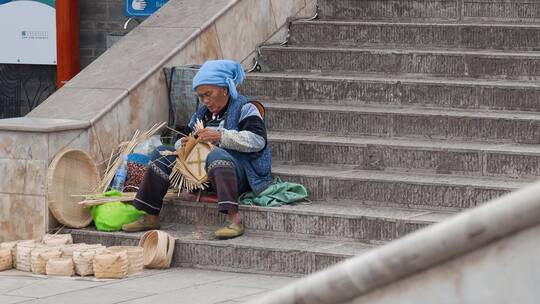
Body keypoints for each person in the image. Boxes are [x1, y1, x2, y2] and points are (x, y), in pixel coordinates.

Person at [122, 60, 272, 239]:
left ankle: (234, 219)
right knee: (161, 153)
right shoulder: (202, 114)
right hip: (201, 175)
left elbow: (258, 140)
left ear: (224, 88)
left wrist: (220, 136)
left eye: (208, 94)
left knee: (216, 155)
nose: (205, 101)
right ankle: (151, 215)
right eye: (201, 96)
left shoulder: (245, 107)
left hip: (239, 174)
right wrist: (184, 143)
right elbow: (180, 137)